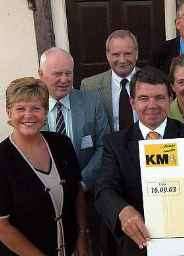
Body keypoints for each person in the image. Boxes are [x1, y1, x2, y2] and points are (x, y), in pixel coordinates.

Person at [95, 67, 184, 255]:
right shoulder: (115, 143)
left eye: (159, 97)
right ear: (132, 103)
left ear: (170, 99)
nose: (152, 105)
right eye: (144, 98)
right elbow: (104, 189)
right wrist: (123, 211)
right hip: (139, 244)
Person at [0, 77, 88, 255]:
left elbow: (77, 192)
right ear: (9, 113)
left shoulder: (62, 144)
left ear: (46, 111)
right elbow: (2, 227)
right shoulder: (2, 158)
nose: (28, 115)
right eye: (20, 108)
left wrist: (82, 236)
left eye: (36, 108)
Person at [38, 47, 110, 255]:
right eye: (57, 74)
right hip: (46, 198)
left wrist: (81, 183)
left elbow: (104, 145)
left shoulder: (91, 101)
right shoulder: (32, 109)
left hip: (87, 194)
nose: (64, 79)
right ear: (41, 75)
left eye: (68, 73)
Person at [81, 29, 139, 131]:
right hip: (107, 145)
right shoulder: (89, 86)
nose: (122, 60)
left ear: (136, 54)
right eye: (116, 54)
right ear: (108, 56)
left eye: (127, 54)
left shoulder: (152, 82)